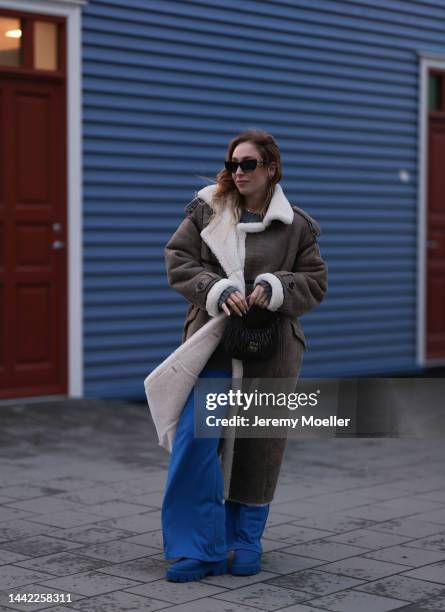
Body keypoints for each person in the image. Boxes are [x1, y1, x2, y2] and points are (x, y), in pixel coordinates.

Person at [161, 128, 328, 582]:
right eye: (233, 163)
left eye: (248, 164)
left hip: (271, 353)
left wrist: (275, 288)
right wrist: (214, 288)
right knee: (196, 447)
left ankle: (244, 543)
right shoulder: (205, 211)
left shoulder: (297, 225)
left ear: (271, 168)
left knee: (258, 449)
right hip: (213, 345)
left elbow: (315, 281)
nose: (238, 172)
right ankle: (201, 547)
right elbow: (178, 260)